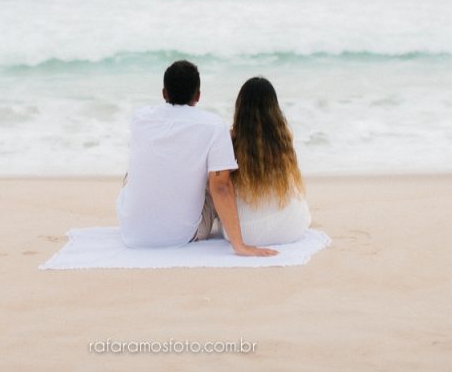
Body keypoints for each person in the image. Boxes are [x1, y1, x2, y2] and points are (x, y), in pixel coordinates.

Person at [117, 60, 277, 257]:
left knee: (132, 174)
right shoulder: (213, 126)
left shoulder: (140, 117)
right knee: (215, 178)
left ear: (164, 93)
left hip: (132, 232)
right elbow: (221, 187)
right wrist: (239, 245)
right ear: (198, 95)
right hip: (183, 235)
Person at [223, 76, 311, 246]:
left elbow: (220, 187)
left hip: (244, 233)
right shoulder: (282, 138)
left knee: (215, 182)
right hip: (290, 229)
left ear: (240, 107)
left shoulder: (229, 140)